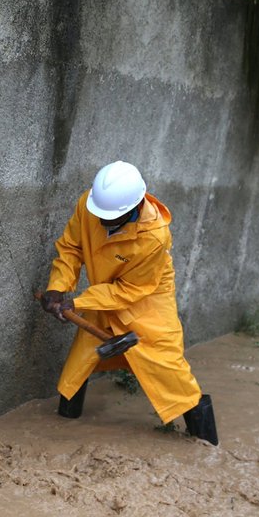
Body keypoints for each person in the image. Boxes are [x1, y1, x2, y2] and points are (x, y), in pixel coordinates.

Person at [39, 161, 218, 445]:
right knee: (80, 362)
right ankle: (64, 430)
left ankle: (205, 444)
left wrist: (79, 302)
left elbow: (132, 289)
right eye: (101, 216)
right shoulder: (90, 204)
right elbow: (71, 247)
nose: (102, 222)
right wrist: (58, 287)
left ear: (132, 209)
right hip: (103, 296)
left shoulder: (155, 236)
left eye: (111, 218)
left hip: (146, 301)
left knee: (169, 370)